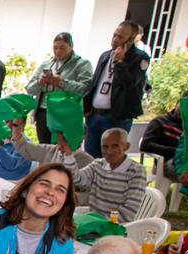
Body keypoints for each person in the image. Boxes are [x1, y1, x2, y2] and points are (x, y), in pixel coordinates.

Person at [8, 122, 148, 222]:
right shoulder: (98, 164)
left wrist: (99, 224)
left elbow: (129, 211)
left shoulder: (136, 171)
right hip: (91, 220)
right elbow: (77, 178)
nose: (109, 151)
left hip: (114, 226)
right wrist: (68, 154)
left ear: (127, 147)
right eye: (105, 147)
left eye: (115, 146)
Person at [85, 21, 151, 158]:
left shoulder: (140, 58)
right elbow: (95, 83)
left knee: (111, 158)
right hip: (95, 115)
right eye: (114, 35)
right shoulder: (105, 55)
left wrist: (119, 62)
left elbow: (130, 83)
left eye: (120, 37)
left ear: (131, 40)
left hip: (117, 117)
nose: (115, 39)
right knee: (90, 158)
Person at [25, 32, 94, 144]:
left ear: (71, 47)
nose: (58, 51)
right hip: (43, 111)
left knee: (62, 147)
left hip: (65, 113)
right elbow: (29, 89)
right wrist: (40, 82)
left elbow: (84, 89)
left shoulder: (82, 64)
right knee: (44, 146)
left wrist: (61, 82)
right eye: (55, 48)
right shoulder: (46, 64)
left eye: (62, 48)